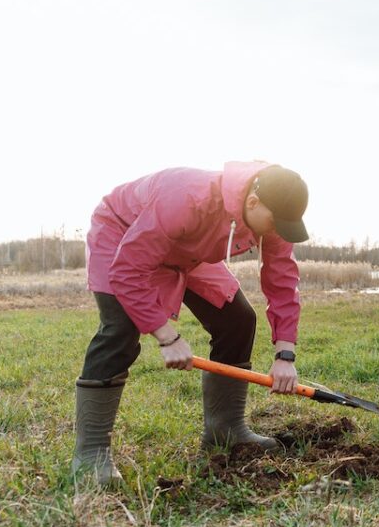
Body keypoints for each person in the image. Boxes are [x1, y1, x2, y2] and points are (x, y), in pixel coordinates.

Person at [73, 161, 310, 484]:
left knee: (237, 319)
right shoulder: (187, 198)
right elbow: (127, 271)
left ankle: (224, 431)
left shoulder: (271, 217)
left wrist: (285, 354)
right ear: (252, 203)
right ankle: (91, 455)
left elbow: (282, 280)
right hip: (123, 236)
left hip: (187, 251)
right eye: (275, 222)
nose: (278, 230)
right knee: (121, 330)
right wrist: (167, 337)